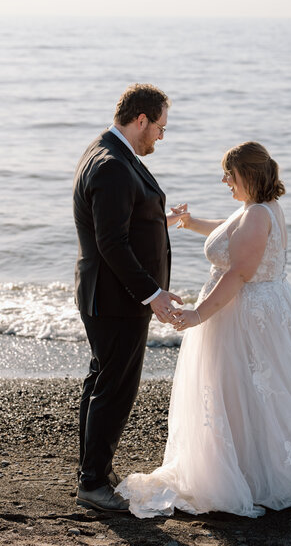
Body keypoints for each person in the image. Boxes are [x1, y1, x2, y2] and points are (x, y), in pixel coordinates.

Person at [117, 141, 291, 518]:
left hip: (246, 315)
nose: (224, 181)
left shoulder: (256, 215)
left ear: (247, 176)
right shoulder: (258, 209)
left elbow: (238, 273)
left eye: (229, 175)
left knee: (244, 388)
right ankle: (255, 470)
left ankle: (252, 478)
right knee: (250, 392)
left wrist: (198, 315)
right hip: (262, 309)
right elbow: (228, 230)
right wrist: (188, 222)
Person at [73, 83, 183, 512]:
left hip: (107, 296)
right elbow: (112, 243)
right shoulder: (113, 165)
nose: (160, 136)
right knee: (114, 391)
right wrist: (152, 294)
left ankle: (92, 471)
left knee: (102, 382)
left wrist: (158, 219)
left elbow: (123, 221)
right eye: (159, 128)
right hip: (116, 300)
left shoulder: (108, 151)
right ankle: (93, 482)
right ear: (141, 119)